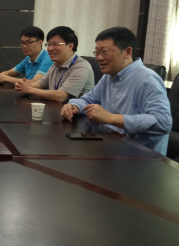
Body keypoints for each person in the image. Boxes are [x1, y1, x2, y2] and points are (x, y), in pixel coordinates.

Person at [61, 27, 172, 155]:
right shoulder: (108, 77)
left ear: (127, 52)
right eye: (97, 53)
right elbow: (89, 99)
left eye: (105, 52)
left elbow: (163, 122)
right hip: (110, 146)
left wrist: (110, 118)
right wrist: (74, 106)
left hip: (139, 157)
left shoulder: (147, 78)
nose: (99, 58)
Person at [15, 26, 94, 103]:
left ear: (70, 46)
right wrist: (22, 85)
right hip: (56, 109)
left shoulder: (81, 67)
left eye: (56, 44)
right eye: (49, 44)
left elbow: (61, 96)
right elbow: (40, 84)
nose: (50, 49)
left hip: (78, 111)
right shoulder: (55, 65)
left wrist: (29, 89)